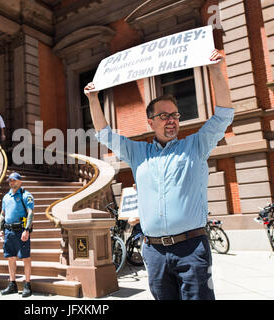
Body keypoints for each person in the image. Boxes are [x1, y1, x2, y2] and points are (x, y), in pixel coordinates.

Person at [84, 49, 234, 300]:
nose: (171, 120)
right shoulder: (137, 152)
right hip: (154, 252)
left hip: (192, 248)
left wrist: (216, 71)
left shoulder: (196, 145)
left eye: (175, 115)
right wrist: (92, 98)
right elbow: (104, 134)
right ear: (150, 122)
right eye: (164, 116)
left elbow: (223, 116)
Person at [0, 172, 35, 298]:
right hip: (8, 231)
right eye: (10, 181)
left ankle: (27, 284)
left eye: (14, 180)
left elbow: (30, 213)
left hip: (21, 230)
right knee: (10, 257)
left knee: (25, 257)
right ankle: (12, 283)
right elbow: (2, 214)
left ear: (20, 181)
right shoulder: (6, 197)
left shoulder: (25, 195)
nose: (11, 182)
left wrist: (27, 229)